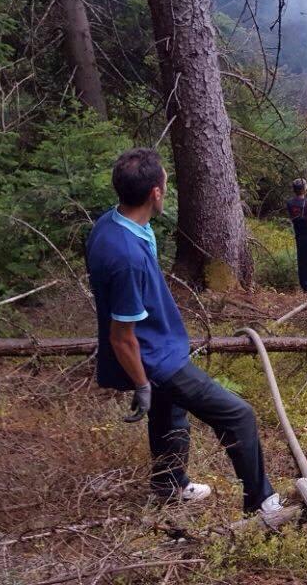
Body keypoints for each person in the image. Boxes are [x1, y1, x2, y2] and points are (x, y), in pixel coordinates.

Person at [85, 148, 281, 514]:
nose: (167, 185)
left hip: (160, 344)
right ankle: (261, 501)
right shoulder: (125, 256)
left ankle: (168, 484)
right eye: (165, 181)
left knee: (169, 411)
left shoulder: (112, 224)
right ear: (154, 194)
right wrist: (142, 382)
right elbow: (120, 336)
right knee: (238, 415)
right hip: (157, 357)